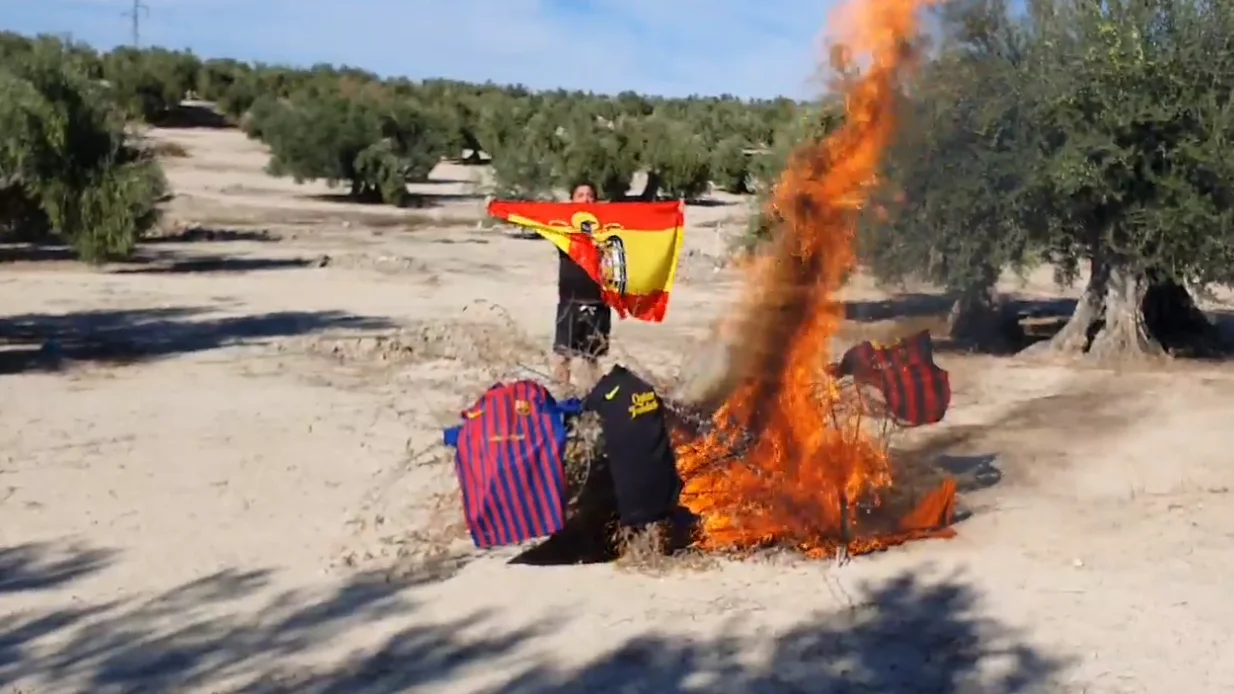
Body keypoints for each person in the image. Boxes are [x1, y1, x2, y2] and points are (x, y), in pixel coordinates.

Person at [552, 182, 612, 389]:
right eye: (580, 195)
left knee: (592, 357)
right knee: (563, 355)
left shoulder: (608, 228)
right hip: (570, 300)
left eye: (590, 195)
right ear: (572, 201)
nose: (586, 199)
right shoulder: (561, 228)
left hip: (599, 301)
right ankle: (562, 395)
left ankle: (595, 399)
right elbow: (531, 218)